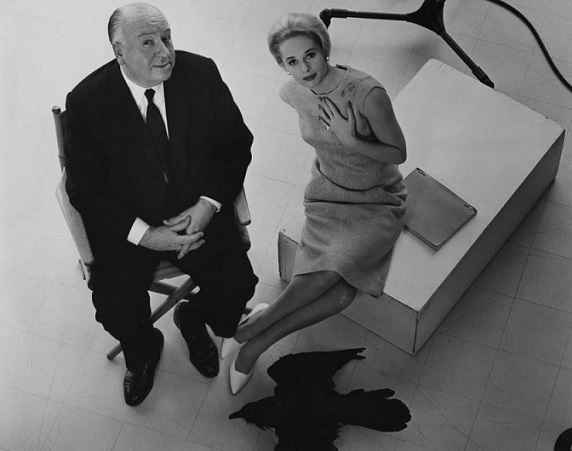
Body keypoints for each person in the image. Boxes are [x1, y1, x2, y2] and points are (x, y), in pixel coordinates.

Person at [65, 2, 258, 406]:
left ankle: (192, 316)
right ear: (119, 51)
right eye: (148, 42)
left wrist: (208, 204)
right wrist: (147, 235)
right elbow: (84, 188)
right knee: (115, 308)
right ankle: (143, 350)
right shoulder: (86, 101)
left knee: (237, 287)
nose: (165, 52)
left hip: (195, 214)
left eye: (167, 38)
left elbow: (236, 145)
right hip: (131, 224)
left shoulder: (201, 73)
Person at [225, 12, 407, 394]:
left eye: (310, 55)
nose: (304, 68)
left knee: (328, 275)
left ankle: (251, 335)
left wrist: (350, 139)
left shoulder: (368, 93)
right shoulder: (292, 93)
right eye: (291, 61)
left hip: (375, 200)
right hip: (327, 193)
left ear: (324, 49)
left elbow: (398, 153)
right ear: (282, 66)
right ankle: (256, 337)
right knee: (341, 295)